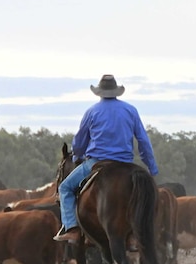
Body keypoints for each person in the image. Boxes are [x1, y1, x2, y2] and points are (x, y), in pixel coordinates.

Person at [54, 74, 159, 244]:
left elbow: (80, 141)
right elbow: (143, 141)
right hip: (125, 163)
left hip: (97, 162)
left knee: (65, 188)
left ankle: (72, 228)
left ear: (100, 93)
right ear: (116, 92)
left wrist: (78, 156)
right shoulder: (131, 110)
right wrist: (152, 168)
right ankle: (133, 234)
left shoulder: (92, 112)